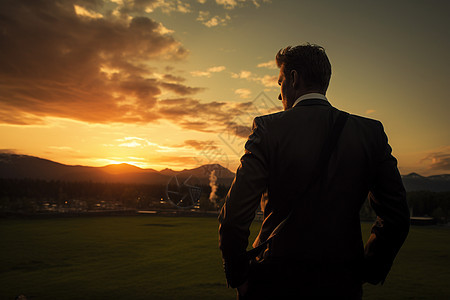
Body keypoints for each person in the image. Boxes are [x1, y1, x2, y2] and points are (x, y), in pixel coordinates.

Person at [218, 44, 410, 299]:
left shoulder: (268, 129)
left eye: (280, 82)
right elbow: (396, 216)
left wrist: (239, 277)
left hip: (274, 281)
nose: (280, 95)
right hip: (342, 284)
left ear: (294, 79)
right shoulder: (370, 133)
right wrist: (368, 269)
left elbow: (233, 217)